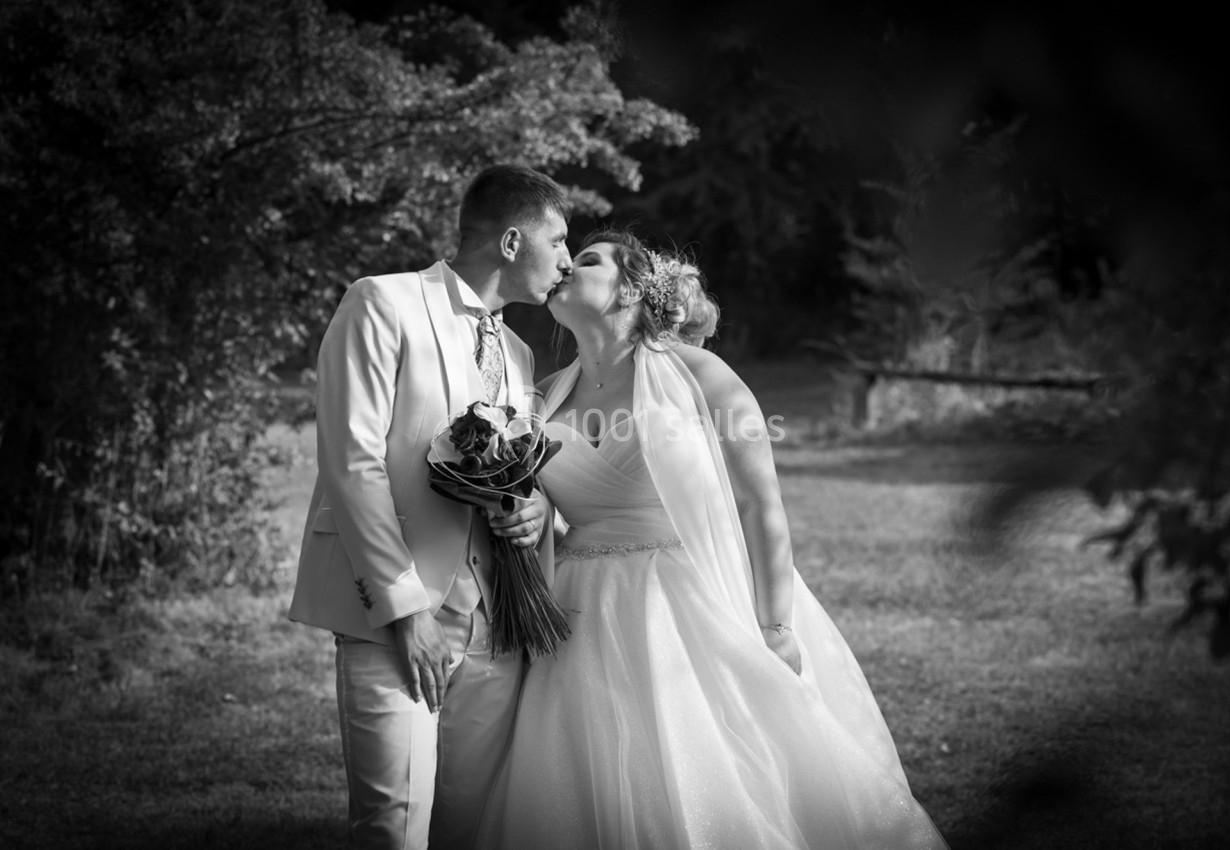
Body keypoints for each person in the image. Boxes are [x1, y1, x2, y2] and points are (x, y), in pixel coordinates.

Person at [477, 230, 949, 849]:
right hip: (581, 616)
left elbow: (760, 503)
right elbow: (551, 508)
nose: (565, 264)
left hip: (688, 602)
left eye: (587, 260)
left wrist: (776, 629)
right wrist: (533, 512)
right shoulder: (543, 397)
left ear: (631, 290)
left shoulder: (700, 374)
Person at [288, 164, 571, 849]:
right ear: (511, 243)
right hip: (395, 617)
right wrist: (405, 605)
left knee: (468, 825)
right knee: (394, 826)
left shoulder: (519, 352)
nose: (566, 261)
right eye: (559, 240)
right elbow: (351, 460)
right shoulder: (381, 304)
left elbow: (509, 472)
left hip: (494, 623)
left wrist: (530, 513)